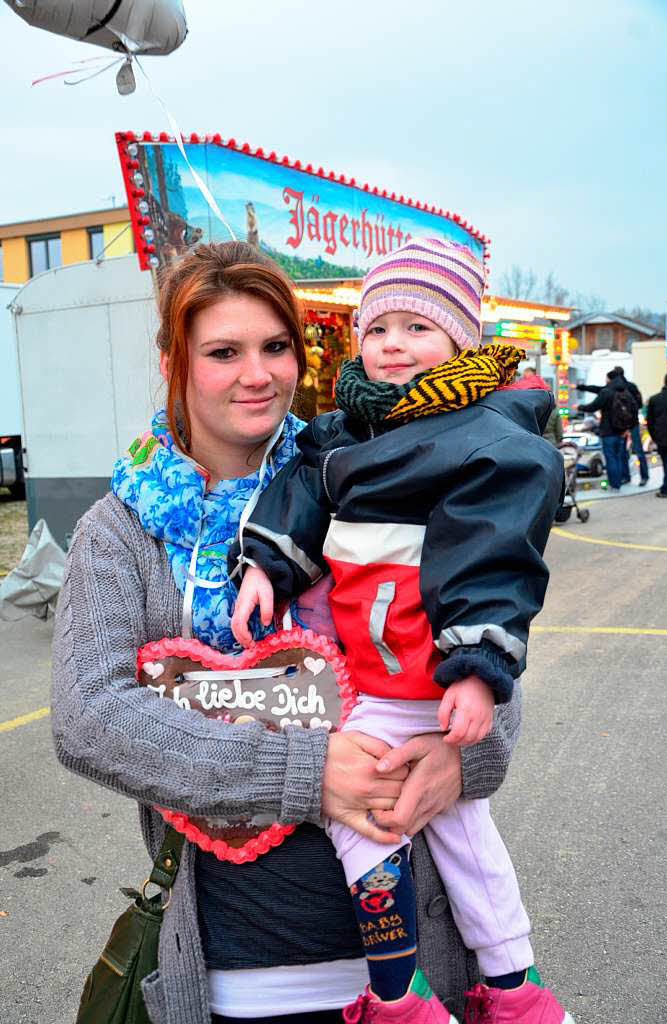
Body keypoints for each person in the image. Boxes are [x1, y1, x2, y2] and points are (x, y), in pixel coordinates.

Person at [51, 241, 524, 1024]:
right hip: (241, 972)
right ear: (175, 361)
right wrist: (308, 772)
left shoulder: (375, 472)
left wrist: (464, 760)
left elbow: (488, 649)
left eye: (276, 347)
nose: (257, 375)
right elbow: (89, 717)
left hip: (420, 966)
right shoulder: (122, 532)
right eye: (223, 352)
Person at [229, 239, 570, 1024]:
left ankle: (414, 994)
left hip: (426, 673)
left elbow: (495, 557)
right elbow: (300, 492)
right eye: (379, 328)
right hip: (375, 669)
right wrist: (267, 563)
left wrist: (481, 669)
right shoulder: (344, 431)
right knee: (452, 831)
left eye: (418, 327)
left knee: (382, 822)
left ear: (460, 340)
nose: (393, 345)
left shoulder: (490, 440)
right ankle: (510, 988)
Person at [578, 368, 648, 485]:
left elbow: (596, 391)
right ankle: (644, 477)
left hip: (618, 426)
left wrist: (581, 387)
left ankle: (623, 478)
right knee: (638, 451)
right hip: (632, 424)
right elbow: (638, 405)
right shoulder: (630, 387)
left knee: (619, 453)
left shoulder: (609, 390)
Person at [646, 371, 667, 497]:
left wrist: (654, 436)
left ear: (664, 381)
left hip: (660, 437)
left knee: (666, 462)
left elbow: (650, 421)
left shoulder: (655, 399)